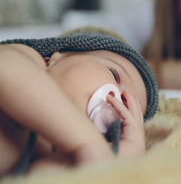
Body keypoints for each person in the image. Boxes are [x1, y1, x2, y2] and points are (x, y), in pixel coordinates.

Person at [0, 27, 158, 175]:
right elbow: (6, 66)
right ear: (57, 56)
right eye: (114, 74)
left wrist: (117, 159)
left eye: (130, 110)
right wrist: (89, 142)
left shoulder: (57, 151)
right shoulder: (27, 58)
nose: (121, 101)